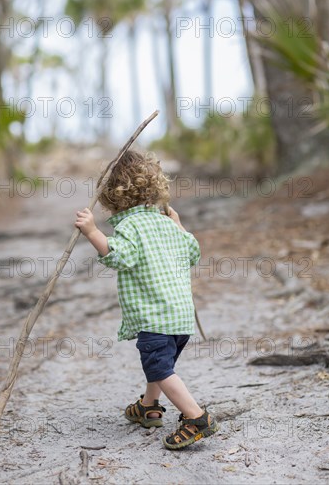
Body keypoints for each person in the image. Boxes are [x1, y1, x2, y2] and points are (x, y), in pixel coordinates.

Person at [75, 150, 219, 450]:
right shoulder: (167, 223)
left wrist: (92, 232)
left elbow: (119, 256)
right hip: (180, 319)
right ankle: (149, 407)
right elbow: (193, 251)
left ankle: (196, 417)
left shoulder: (129, 227)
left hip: (155, 318)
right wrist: (179, 224)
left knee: (159, 368)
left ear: (111, 197)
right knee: (160, 365)